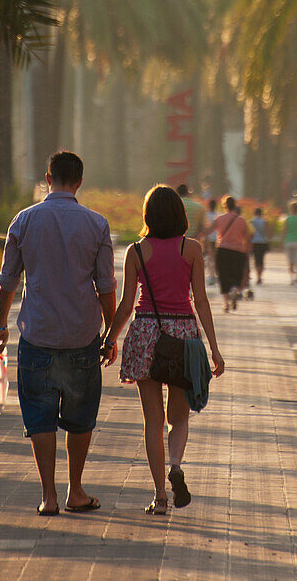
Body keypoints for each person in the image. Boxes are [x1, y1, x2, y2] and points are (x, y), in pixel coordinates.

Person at [0, 150, 117, 517]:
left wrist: (0, 326)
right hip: (82, 338)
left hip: (37, 336)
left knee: (39, 417)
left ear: (48, 178)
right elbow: (106, 285)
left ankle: (48, 496)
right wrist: (110, 333)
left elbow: (8, 280)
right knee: (80, 418)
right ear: (79, 182)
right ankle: (75, 490)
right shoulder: (97, 224)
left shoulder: (24, 220)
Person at [102, 184, 224, 515]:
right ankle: (177, 464)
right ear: (181, 215)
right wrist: (214, 348)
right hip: (183, 336)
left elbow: (127, 304)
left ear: (148, 215)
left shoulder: (136, 251)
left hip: (145, 335)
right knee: (178, 418)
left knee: (152, 421)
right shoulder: (192, 249)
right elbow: (200, 300)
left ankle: (159, 497)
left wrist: (109, 337)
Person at [208, 195, 250, 312]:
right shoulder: (241, 220)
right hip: (238, 251)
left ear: (224, 206)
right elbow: (247, 238)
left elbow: (208, 231)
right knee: (237, 274)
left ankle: (226, 303)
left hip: (223, 250)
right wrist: (246, 252)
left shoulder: (219, 219)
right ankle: (235, 292)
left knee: (223, 276)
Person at [281, 199, 297, 284]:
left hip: (289, 241)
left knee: (290, 262)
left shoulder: (287, 219)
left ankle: (291, 278)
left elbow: (284, 231)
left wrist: (282, 242)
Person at [250, 208, 269, 285]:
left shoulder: (252, 222)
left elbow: (250, 233)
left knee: (256, 259)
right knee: (261, 259)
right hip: (263, 242)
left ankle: (258, 276)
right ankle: (260, 276)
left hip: (254, 242)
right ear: (261, 213)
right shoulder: (265, 222)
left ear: (254, 213)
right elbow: (268, 232)